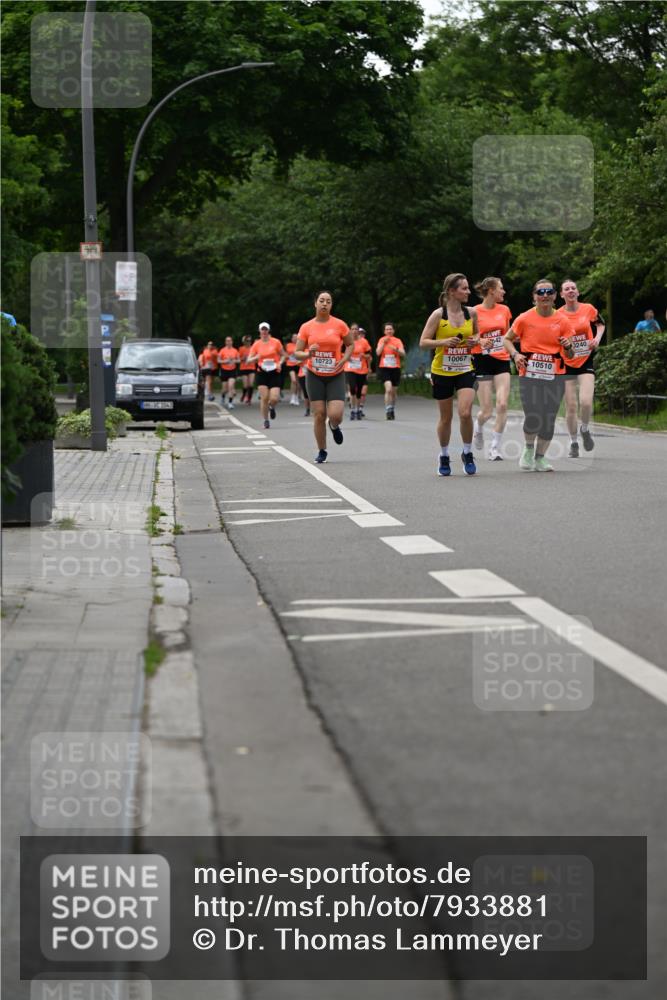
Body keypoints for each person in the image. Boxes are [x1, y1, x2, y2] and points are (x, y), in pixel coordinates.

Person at [503, 279, 576, 472]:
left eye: (549, 292)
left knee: (549, 417)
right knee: (533, 414)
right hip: (529, 372)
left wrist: (568, 346)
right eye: (540, 292)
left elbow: (570, 354)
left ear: (554, 296)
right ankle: (528, 450)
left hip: (555, 374)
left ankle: (540, 457)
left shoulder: (563, 320)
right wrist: (515, 354)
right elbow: (507, 339)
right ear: (534, 297)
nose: (545, 295)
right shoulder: (524, 318)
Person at [419, 273, 482, 476]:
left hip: (465, 368)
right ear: (452, 292)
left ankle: (467, 452)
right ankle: (444, 455)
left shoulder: (471, 313)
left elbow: (477, 334)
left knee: (465, 413)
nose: (468, 291)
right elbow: (423, 342)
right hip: (442, 371)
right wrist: (442, 343)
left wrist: (474, 340)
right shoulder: (439, 315)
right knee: (446, 418)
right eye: (464, 288)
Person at [295, 290, 353, 464]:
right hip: (314, 374)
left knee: (335, 415)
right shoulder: (306, 327)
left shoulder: (340, 325)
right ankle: (322, 450)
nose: (325, 304)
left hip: (335, 374)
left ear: (331, 305)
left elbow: (350, 344)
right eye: (322, 300)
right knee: (319, 414)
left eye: (328, 301)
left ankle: (334, 426)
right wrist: (307, 353)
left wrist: (343, 359)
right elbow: (297, 353)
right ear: (315, 303)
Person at [558, 278, 605, 455]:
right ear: (561, 294)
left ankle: (584, 429)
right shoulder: (558, 315)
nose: (571, 291)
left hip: (585, 360)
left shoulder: (588, 309)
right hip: (566, 363)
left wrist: (597, 339)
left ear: (577, 292)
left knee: (585, 402)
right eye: (567, 289)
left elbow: (600, 324)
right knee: (571, 406)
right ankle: (573, 442)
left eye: (573, 288)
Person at [470, 277, 513, 461]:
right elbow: (469, 337)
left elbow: (508, 335)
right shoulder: (474, 312)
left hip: (501, 359)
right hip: (482, 359)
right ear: (491, 291)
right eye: (501, 288)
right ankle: (478, 428)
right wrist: (480, 340)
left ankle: (495, 447)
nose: (504, 292)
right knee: (486, 411)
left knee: (502, 404)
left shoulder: (505, 310)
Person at [247, 322, 286, 429]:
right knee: (264, 398)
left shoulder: (276, 342)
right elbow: (248, 360)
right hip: (262, 372)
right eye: (262, 330)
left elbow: (283, 355)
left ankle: (271, 406)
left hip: (274, 372)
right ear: (259, 331)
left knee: (275, 398)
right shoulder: (256, 344)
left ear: (268, 331)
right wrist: (256, 358)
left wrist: (280, 363)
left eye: (266, 329)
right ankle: (265, 420)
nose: (264, 332)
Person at [376, 323, 405, 420]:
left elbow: (403, 353)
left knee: (393, 392)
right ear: (384, 331)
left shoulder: (397, 341)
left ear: (393, 330)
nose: (389, 331)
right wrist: (384, 343)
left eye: (390, 329)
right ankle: (388, 410)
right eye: (387, 329)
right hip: (384, 368)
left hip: (395, 368)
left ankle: (392, 408)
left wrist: (396, 349)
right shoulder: (381, 340)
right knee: (388, 389)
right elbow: (378, 353)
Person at [344, 324, 373, 420]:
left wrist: (363, 356)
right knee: (352, 387)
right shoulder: (346, 341)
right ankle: (352, 410)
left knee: (359, 391)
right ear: (350, 331)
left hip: (361, 369)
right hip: (349, 368)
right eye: (352, 329)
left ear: (358, 331)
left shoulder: (364, 342)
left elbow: (369, 355)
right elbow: (340, 352)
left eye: (356, 329)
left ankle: (357, 410)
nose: (354, 331)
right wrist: (346, 357)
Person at [218, 336, 240, 409]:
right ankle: (223, 397)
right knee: (224, 389)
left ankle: (230, 402)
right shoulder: (222, 350)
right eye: (227, 341)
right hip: (224, 370)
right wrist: (225, 361)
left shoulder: (235, 350)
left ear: (232, 342)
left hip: (232, 370)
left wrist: (234, 361)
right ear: (225, 342)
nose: (228, 342)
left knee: (230, 386)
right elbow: (218, 360)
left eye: (230, 341)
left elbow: (239, 360)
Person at [238, 334, 256, 405]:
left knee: (251, 384)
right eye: (247, 341)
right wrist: (243, 358)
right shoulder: (241, 349)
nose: (249, 342)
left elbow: (256, 358)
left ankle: (249, 399)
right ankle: (244, 394)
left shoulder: (253, 348)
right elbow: (238, 359)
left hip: (251, 367)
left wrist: (253, 359)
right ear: (244, 341)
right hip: (243, 368)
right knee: (245, 385)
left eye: (250, 341)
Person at [285, 333, 301, 405]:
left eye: (297, 338)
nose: (295, 339)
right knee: (293, 380)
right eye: (294, 337)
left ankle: (296, 397)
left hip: (298, 364)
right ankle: (292, 397)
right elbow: (285, 354)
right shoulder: (288, 345)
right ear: (292, 339)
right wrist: (288, 356)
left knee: (297, 382)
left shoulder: (300, 345)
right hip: (290, 364)